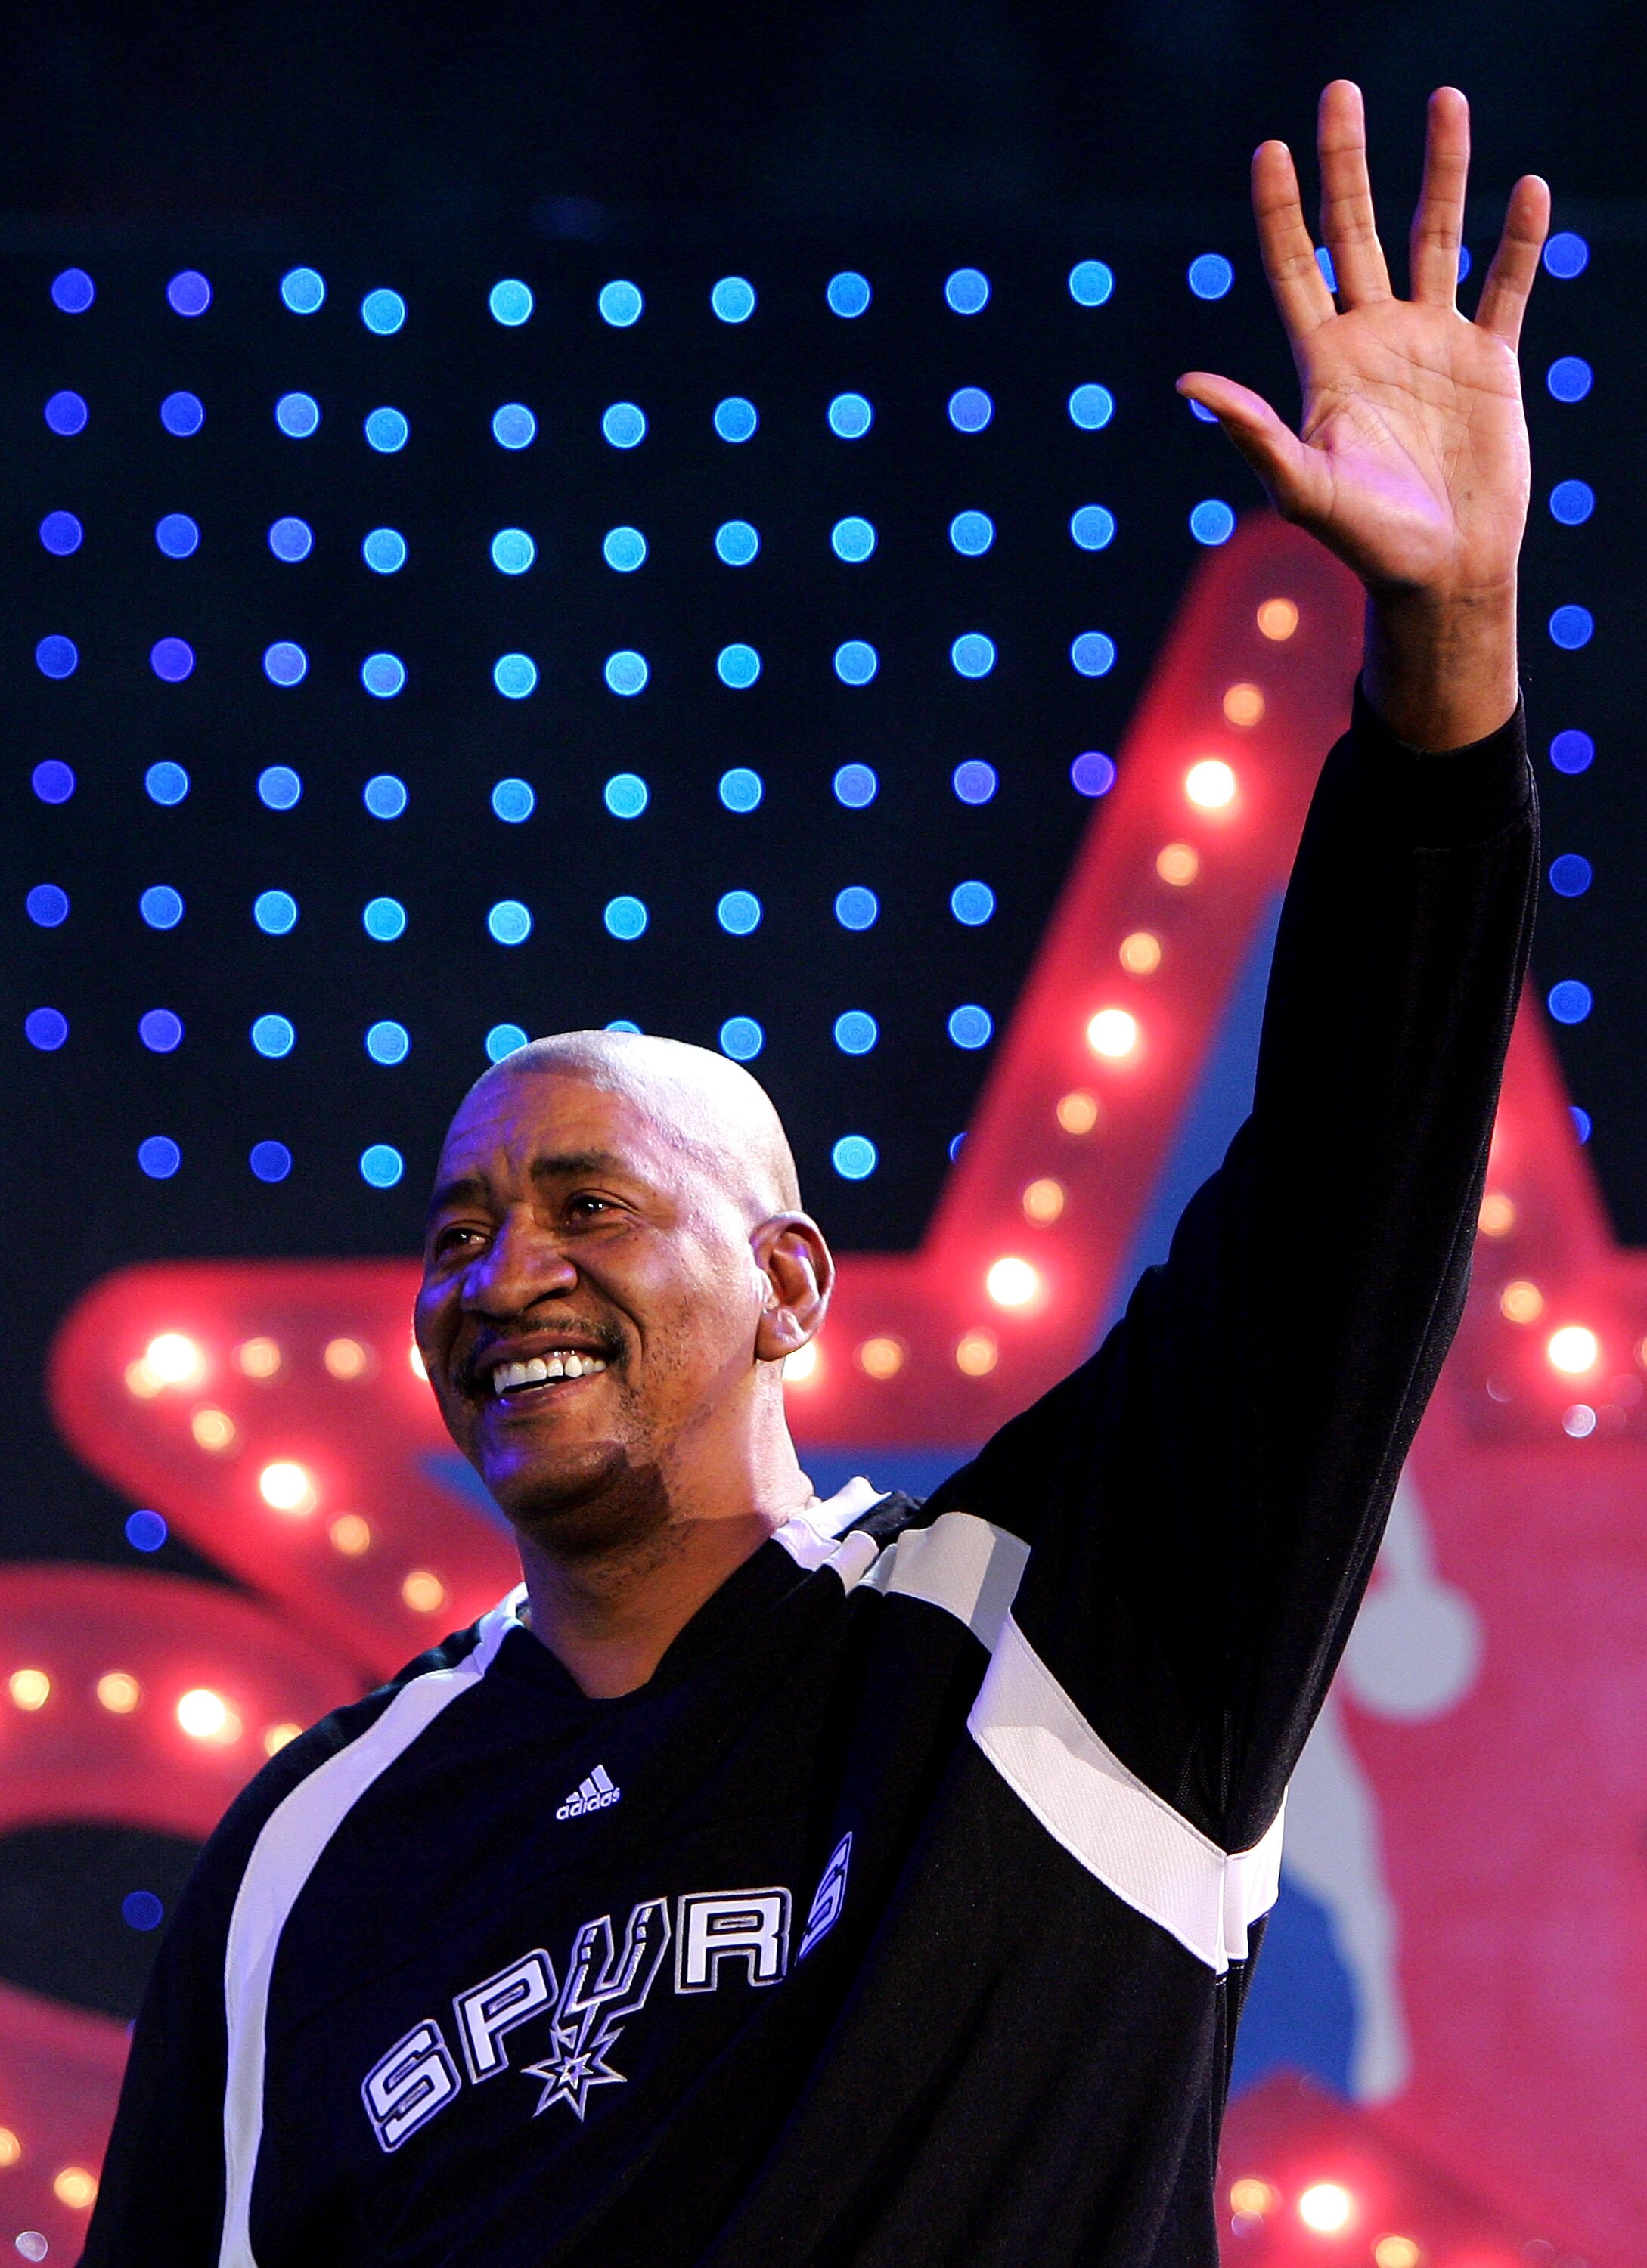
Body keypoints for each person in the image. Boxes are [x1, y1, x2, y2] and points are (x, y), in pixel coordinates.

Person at [85, 80, 1543, 2268]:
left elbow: (1357, 1178)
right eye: (460, 1232)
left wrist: (1440, 675)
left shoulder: (1076, 1635)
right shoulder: (312, 1848)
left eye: (589, 1205)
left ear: (788, 1278)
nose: (505, 1274)